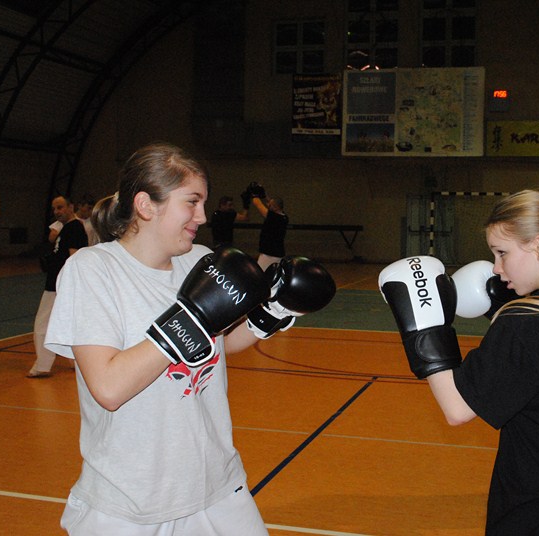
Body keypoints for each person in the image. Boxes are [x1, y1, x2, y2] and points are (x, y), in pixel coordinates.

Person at [44, 142, 335, 535]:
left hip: (217, 483)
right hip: (131, 500)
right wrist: (190, 317)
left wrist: (274, 310)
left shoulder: (197, 260)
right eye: (192, 202)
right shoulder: (93, 270)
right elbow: (108, 388)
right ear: (146, 205)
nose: (201, 216)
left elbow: (219, 344)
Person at [379, 190, 539, 535]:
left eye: (502, 253)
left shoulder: (528, 321)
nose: (497, 268)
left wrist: (424, 326)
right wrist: (498, 310)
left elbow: (458, 408)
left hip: (537, 515)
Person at [28, 195, 88, 378]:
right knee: (70, 323)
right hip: (58, 283)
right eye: (54, 208)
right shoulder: (67, 228)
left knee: (42, 325)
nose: (57, 211)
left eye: (60, 207)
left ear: (71, 207)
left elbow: (74, 257)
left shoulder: (74, 228)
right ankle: (75, 360)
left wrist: (71, 284)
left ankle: (42, 365)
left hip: (59, 286)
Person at [246, 182, 289, 271]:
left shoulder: (274, 217)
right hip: (276, 252)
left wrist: (254, 195)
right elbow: (271, 203)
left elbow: (258, 204)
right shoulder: (283, 216)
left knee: (259, 273)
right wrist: (265, 195)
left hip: (269, 254)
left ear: (276, 208)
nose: (268, 205)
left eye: (270, 205)